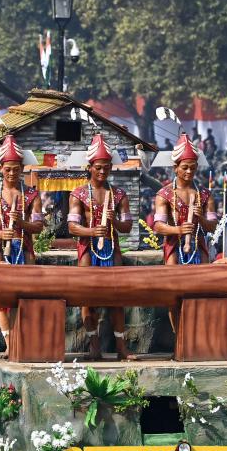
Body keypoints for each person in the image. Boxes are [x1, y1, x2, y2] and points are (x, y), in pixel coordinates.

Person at [67, 134, 135, 360]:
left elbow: (127, 226)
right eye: (98, 168)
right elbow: (73, 227)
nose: (102, 172)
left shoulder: (119, 195)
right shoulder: (78, 194)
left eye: (106, 168)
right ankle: (94, 345)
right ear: (90, 167)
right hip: (88, 248)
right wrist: (93, 231)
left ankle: (121, 347)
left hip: (112, 248)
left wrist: (113, 221)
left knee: (118, 298)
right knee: (87, 297)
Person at [0, 135, 44, 352]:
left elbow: (38, 226)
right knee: (2, 299)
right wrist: (1, 233)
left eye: (16, 169)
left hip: (25, 248)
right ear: (0, 168)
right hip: (0, 249)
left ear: (22, 168)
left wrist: (22, 222)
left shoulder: (32, 194)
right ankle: (9, 344)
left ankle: (23, 341)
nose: (12, 173)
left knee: (26, 296)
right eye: (8, 169)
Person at [153, 133, 218, 267]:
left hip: (198, 245)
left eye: (193, 168)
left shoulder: (205, 194)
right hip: (174, 246)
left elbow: (213, 226)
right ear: (175, 168)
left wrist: (200, 218)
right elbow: (158, 226)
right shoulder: (164, 194)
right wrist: (179, 230)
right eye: (185, 167)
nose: (189, 171)